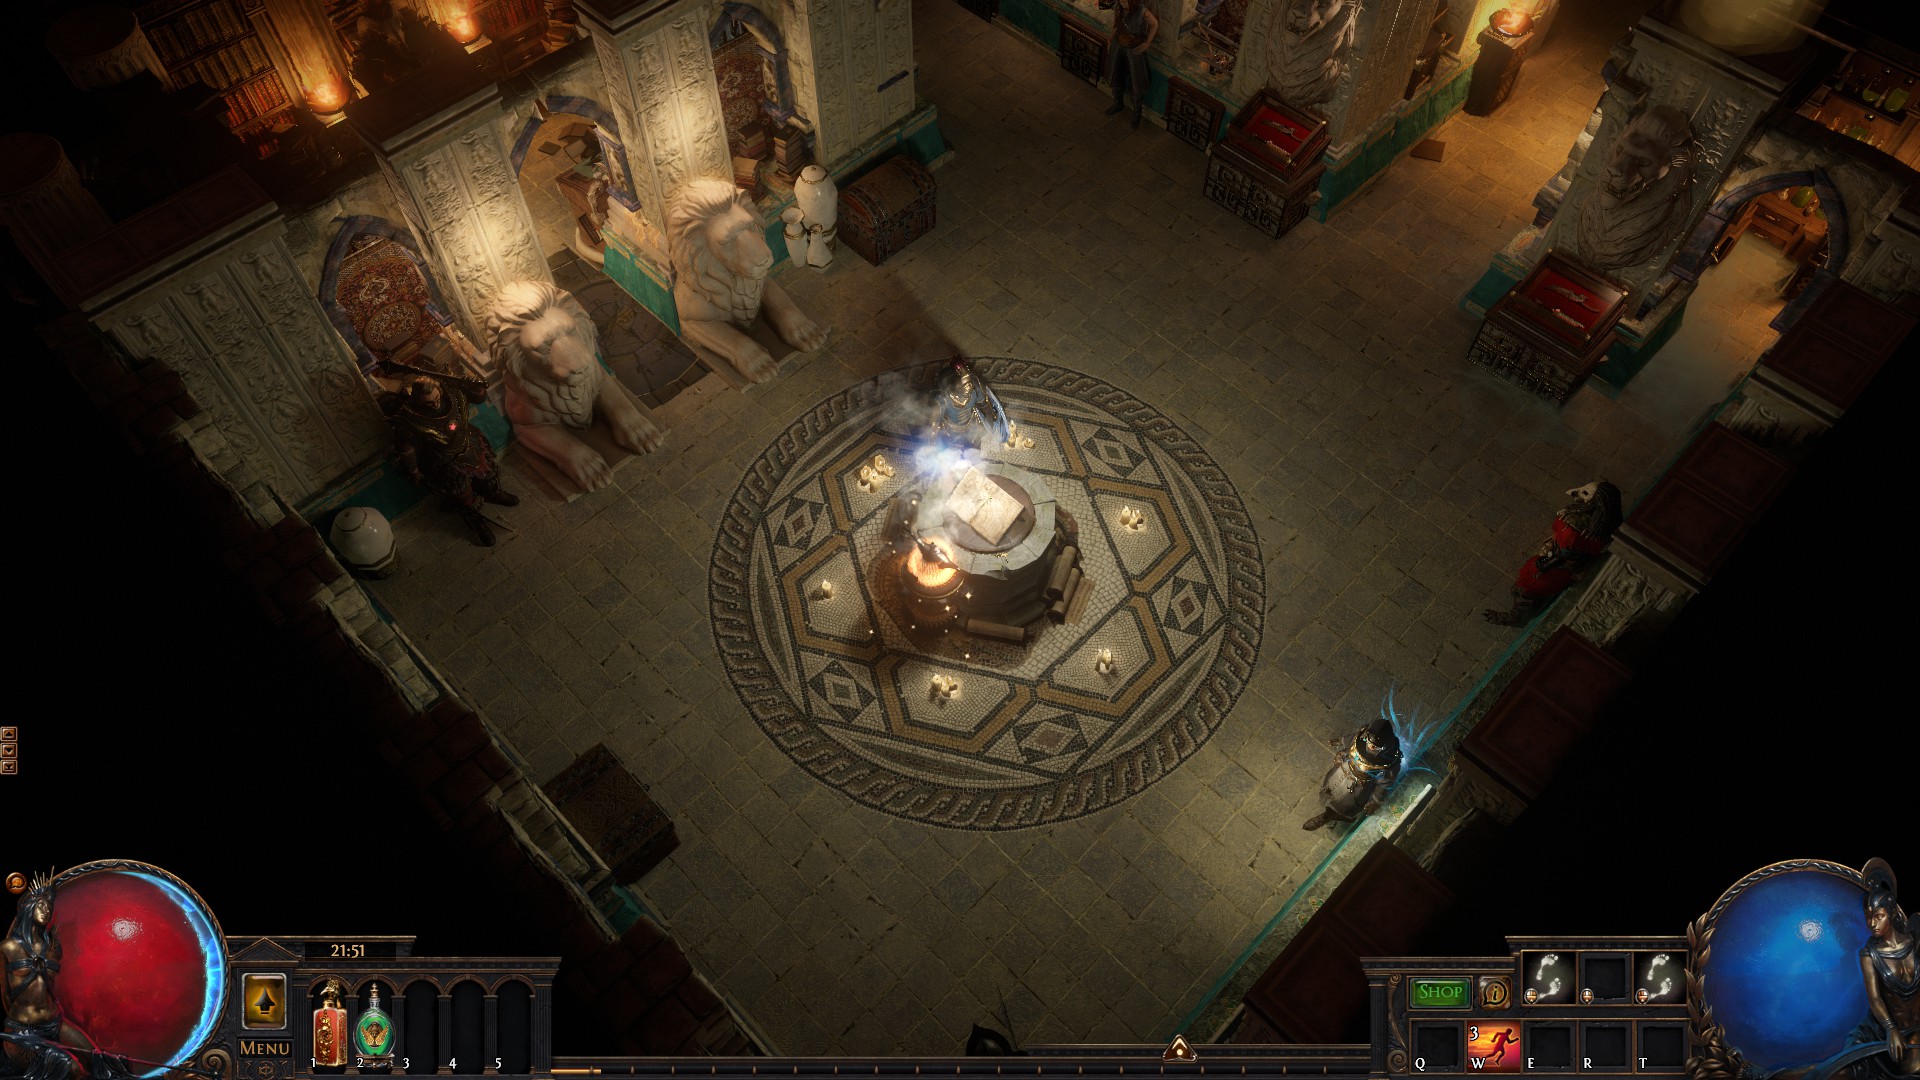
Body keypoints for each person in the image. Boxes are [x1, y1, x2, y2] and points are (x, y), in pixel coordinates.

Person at [382, 371, 518, 547]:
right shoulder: (410, 417)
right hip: (443, 458)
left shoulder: (452, 392)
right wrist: (414, 470)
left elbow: (478, 398)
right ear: (418, 400)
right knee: (462, 492)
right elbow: (406, 449)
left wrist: (477, 388)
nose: (435, 403)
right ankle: (476, 519)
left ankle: (493, 492)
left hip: (469, 441)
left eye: (436, 398)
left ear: (439, 390)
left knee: (489, 471)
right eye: (429, 402)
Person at [1482, 480, 1622, 627]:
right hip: (1567, 563)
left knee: (1527, 587)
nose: (1576, 493)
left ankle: (1515, 618)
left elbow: (1561, 555)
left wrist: (1541, 564)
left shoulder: (1574, 529)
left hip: (1557, 568)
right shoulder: (1603, 525)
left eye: (1585, 493)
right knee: (1526, 588)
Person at [1853, 859, 1918, 1078]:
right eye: (1868, 916)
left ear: (1891, 913)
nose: (1872, 923)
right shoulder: (1869, 954)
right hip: (1889, 1032)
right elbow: (1875, 998)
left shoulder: (1915, 942)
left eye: (1878, 916)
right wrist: (1890, 1028)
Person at [1302, 715, 1401, 831]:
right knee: (1330, 790)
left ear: (1384, 746)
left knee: (1344, 806)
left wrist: (1375, 800)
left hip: (1359, 787)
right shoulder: (1363, 737)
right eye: (1368, 741)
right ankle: (1327, 813)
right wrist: (1341, 746)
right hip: (1344, 770)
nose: (1369, 746)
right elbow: (1353, 742)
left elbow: (1385, 783)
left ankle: (1326, 818)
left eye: (1374, 746)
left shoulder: (1389, 761)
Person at [1104, 0, 1158, 129]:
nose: (1121, 2)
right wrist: (1110, 39)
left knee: (1136, 82)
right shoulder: (1118, 7)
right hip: (1118, 45)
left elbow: (1154, 24)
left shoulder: (1142, 11)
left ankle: (1137, 112)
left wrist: (1147, 43)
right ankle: (1118, 103)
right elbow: (1116, 25)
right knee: (1114, 75)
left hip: (1134, 48)